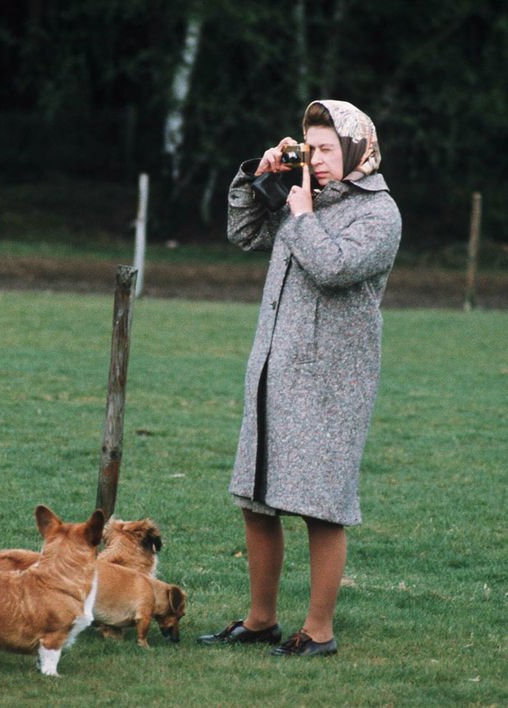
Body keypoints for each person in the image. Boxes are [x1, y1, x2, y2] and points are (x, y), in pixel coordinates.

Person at [198, 100, 401, 657]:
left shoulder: (378, 214)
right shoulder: (299, 197)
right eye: (312, 149)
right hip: (273, 369)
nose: (319, 160)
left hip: (333, 382)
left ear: (359, 149)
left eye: (329, 149)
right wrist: (257, 178)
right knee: (258, 499)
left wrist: (304, 212)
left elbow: (333, 268)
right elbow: (243, 234)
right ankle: (260, 620)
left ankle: (318, 632)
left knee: (320, 506)